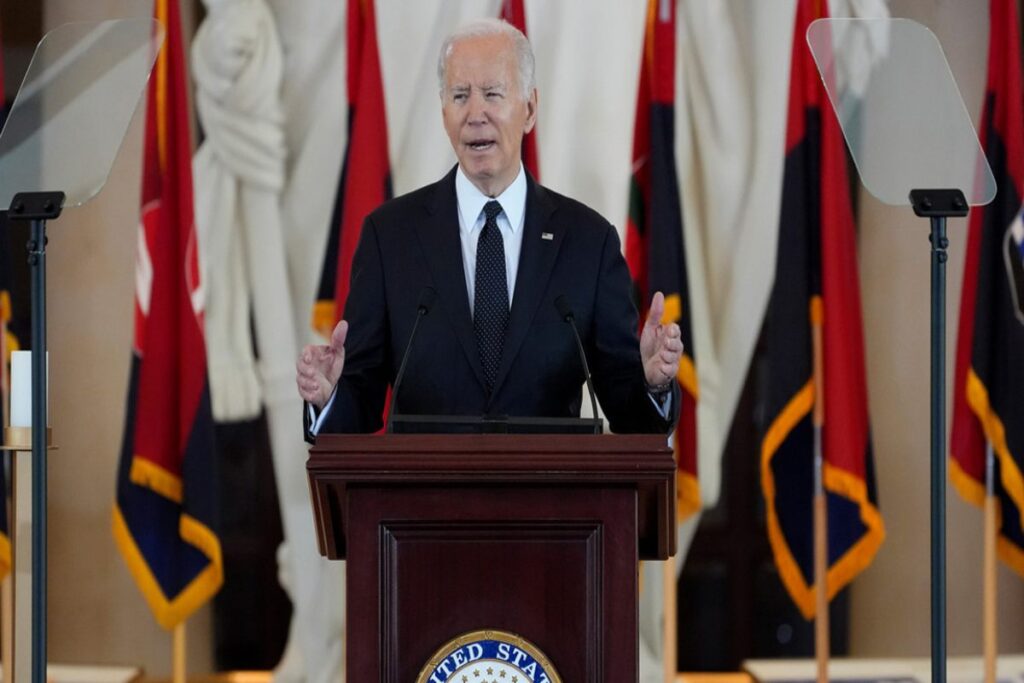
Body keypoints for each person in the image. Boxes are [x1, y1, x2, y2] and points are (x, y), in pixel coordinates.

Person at [296, 18, 682, 436]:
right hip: (423, 495)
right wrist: (329, 396)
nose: (475, 114)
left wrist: (653, 384)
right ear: (444, 114)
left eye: (492, 95)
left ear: (529, 109)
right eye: (460, 96)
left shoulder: (588, 242)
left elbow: (629, 412)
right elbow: (362, 396)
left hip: (552, 496)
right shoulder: (389, 238)